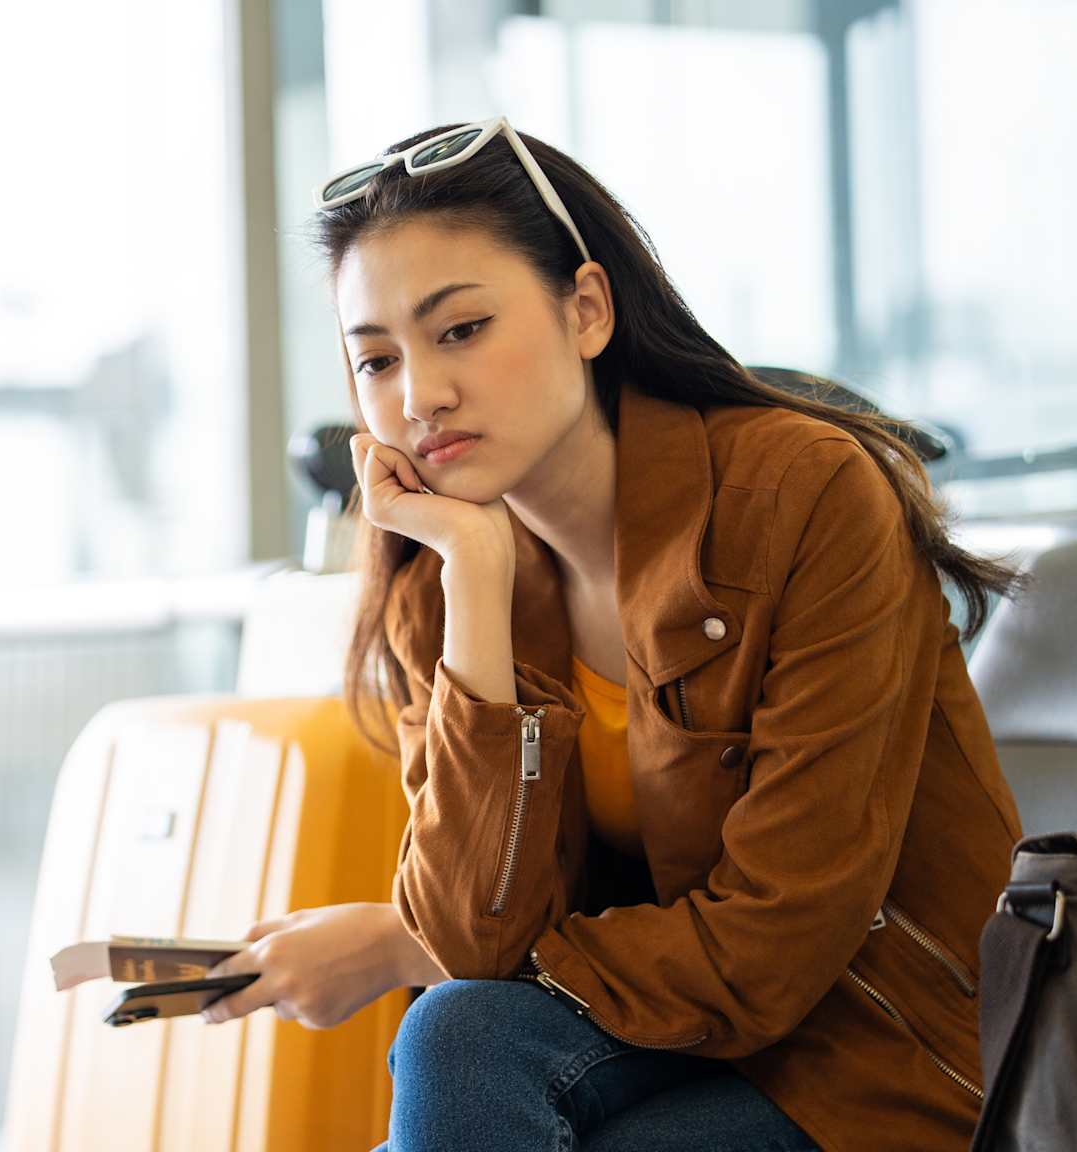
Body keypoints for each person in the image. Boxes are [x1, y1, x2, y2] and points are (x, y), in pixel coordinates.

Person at [201, 116, 1028, 1152]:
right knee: (459, 1032)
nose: (420, 396)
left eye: (459, 330)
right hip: (661, 1038)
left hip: (879, 1051)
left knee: (475, 1054)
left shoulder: (802, 493)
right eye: (375, 360)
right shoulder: (441, 575)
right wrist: (476, 578)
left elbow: (776, 938)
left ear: (585, 310)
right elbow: (468, 940)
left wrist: (393, 947)